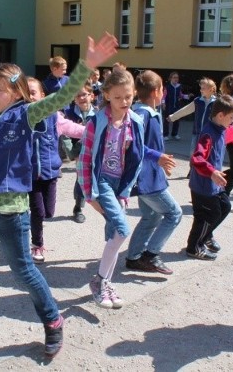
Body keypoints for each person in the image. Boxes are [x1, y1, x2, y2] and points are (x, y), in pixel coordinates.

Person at [0, 29, 118, 358]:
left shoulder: (26, 114)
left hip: (10, 209)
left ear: (17, 94)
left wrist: (86, 66)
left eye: (1, 90)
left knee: (23, 271)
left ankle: (53, 320)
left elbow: (59, 99)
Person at [77, 69, 173, 309]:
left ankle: (104, 283)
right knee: (122, 229)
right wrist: (89, 194)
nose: (124, 102)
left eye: (128, 96)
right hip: (102, 182)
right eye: (118, 97)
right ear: (107, 95)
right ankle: (99, 281)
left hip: (120, 185)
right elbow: (85, 160)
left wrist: (125, 190)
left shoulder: (136, 121)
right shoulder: (96, 122)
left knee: (113, 234)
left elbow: (137, 156)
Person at [125, 70, 181, 275]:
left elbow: (149, 145)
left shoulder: (149, 112)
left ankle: (134, 258)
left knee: (151, 216)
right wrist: (156, 157)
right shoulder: (142, 114)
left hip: (150, 176)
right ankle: (151, 255)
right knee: (174, 213)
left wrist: (160, 160)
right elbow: (134, 145)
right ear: (158, 91)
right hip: (146, 179)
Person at [27, 77, 85, 263]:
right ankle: (37, 245)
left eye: (33, 92)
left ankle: (30, 225)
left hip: (50, 172)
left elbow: (73, 129)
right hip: (30, 175)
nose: (29, 97)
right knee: (37, 212)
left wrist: (93, 130)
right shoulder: (22, 117)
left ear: (43, 96)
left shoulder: (54, 116)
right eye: (25, 93)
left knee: (48, 213)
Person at [186, 95, 233, 260]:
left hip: (214, 185)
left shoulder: (222, 129)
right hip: (202, 185)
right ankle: (194, 247)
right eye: (231, 118)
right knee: (206, 216)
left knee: (225, 206)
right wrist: (212, 172)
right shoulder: (208, 134)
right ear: (220, 115)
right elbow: (197, 159)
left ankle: (205, 236)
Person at [63, 81, 97, 223]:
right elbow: (64, 134)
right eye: (77, 96)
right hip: (80, 153)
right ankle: (78, 208)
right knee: (81, 179)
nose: (81, 98)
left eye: (84, 94)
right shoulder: (69, 114)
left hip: (96, 152)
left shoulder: (99, 114)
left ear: (92, 96)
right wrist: (72, 153)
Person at [169, 77, 218, 161]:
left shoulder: (217, 103)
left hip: (209, 134)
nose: (201, 90)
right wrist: (173, 117)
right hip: (197, 132)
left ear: (211, 89)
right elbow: (186, 110)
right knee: (193, 153)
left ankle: (205, 171)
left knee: (208, 153)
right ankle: (192, 171)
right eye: (201, 88)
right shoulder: (198, 101)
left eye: (203, 88)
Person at [163, 72, 191, 140]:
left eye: (177, 77)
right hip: (169, 105)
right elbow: (163, 96)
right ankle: (165, 135)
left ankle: (174, 134)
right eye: (174, 77)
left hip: (176, 105)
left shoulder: (179, 87)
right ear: (170, 78)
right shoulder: (167, 87)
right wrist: (163, 103)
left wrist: (187, 96)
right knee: (167, 120)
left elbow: (180, 95)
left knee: (177, 119)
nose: (176, 79)